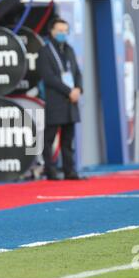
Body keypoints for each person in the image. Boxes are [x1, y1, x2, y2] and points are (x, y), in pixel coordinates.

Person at [38, 18, 85, 181]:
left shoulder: (69, 49)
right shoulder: (45, 51)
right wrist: (69, 91)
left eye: (65, 31)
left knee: (68, 139)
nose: (62, 34)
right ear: (51, 31)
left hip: (71, 101)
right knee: (49, 138)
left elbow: (77, 72)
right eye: (59, 30)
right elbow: (49, 77)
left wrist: (78, 89)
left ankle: (69, 170)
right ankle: (50, 170)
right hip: (56, 100)